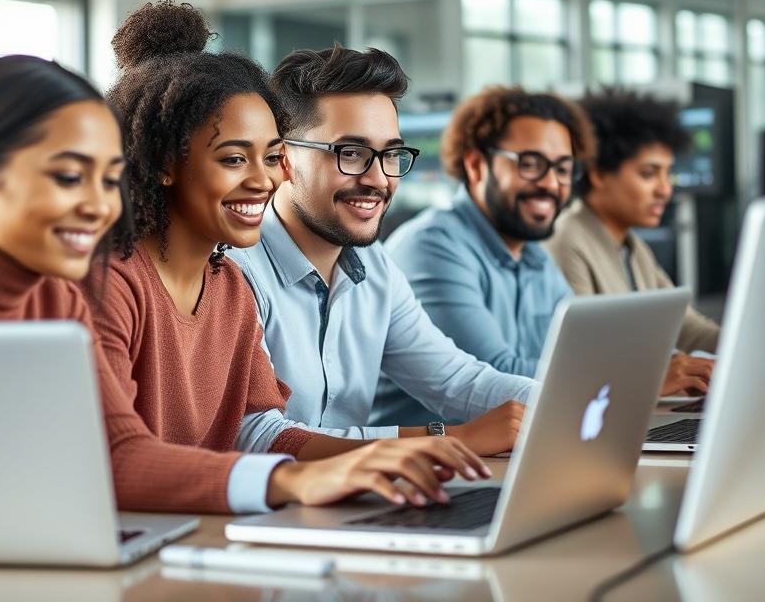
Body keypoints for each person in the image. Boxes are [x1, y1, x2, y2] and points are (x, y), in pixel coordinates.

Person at [0, 54, 488, 516]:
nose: (98, 204)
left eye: (108, 177)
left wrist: (349, 466)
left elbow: (133, 449)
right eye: (70, 177)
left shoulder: (63, 293)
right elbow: (114, 464)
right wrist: (298, 479)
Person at [90, 0, 491, 511]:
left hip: (208, 531)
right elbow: (116, 458)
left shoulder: (226, 287)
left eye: (272, 156)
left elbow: (267, 432)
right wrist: (293, 481)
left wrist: (371, 458)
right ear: (166, 163)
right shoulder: (111, 284)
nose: (266, 179)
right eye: (235, 158)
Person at [228, 46, 536, 456]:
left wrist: (575, 401)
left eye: (390, 154)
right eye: (351, 153)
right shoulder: (235, 268)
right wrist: (445, 440)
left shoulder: (374, 267)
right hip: (265, 506)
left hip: (347, 498)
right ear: (282, 157)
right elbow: (257, 437)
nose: (378, 178)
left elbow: (456, 381)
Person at [374, 86, 592, 425]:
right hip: (431, 463)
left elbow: (581, 349)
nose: (551, 183)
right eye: (531, 164)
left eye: (563, 168)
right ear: (476, 165)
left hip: (511, 445)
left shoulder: (535, 257)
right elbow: (494, 373)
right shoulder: (432, 247)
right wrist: (620, 374)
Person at [546, 89, 719, 371]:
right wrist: (666, 370)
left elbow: (685, 325)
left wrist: (748, 343)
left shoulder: (633, 248)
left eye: (667, 173)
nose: (665, 189)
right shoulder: (567, 241)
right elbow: (585, 356)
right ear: (598, 173)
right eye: (648, 174)